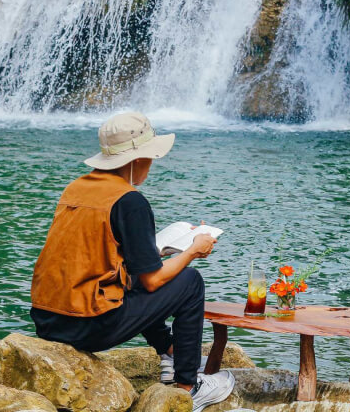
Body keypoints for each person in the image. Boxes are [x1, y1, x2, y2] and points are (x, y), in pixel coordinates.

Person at [29, 111, 235, 411]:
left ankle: (171, 352)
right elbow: (153, 281)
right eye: (151, 156)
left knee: (139, 273)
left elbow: (93, 253)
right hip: (88, 326)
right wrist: (192, 250)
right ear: (136, 159)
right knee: (190, 282)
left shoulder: (76, 188)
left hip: (48, 321)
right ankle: (189, 387)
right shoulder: (130, 201)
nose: (152, 162)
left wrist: (157, 253)